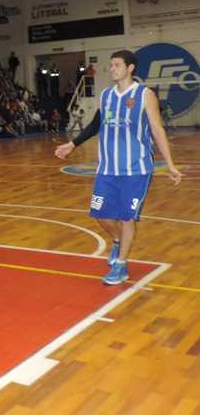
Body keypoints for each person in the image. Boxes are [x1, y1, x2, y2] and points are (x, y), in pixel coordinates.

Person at [55, 50, 182, 285]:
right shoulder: (106, 95)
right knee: (100, 214)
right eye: (111, 65)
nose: (111, 69)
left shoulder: (145, 95)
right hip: (107, 169)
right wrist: (72, 144)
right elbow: (95, 125)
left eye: (116, 65)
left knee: (126, 218)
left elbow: (157, 130)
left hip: (136, 169)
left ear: (130, 68)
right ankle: (117, 241)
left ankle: (121, 266)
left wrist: (170, 164)